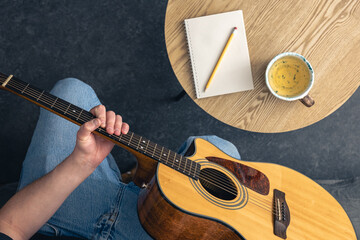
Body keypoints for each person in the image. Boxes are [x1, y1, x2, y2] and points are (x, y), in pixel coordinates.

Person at [0, 78, 241, 240]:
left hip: (56, 216)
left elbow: (11, 226)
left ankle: (141, 186)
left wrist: (82, 163)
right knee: (220, 149)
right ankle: (145, 188)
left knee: (71, 89)